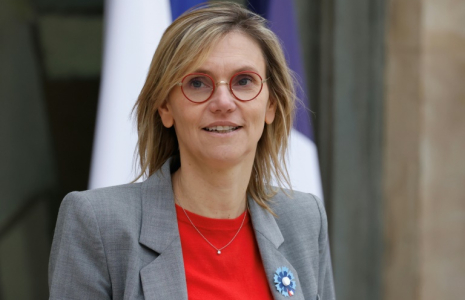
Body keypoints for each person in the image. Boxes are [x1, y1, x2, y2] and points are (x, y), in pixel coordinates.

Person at [48, 2, 335, 300]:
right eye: (198, 83)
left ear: (271, 105)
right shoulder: (97, 223)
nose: (223, 102)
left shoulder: (305, 220)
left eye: (244, 81)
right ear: (165, 107)